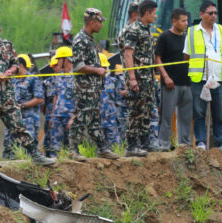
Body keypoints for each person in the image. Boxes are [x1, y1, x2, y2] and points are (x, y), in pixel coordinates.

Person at [0, 18, 56, 167]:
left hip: (7, 95)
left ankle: (35, 155)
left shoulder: (8, 46)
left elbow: (15, 65)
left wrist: (9, 71)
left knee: (18, 125)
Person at [69, 8, 119, 160]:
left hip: (93, 88)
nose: (101, 25)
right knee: (81, 117)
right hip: (84, 89)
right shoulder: (80, 40)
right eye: (100, 22)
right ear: (92, 23)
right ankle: (73, 150)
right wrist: (97, 70)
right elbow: (77, 66)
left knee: (95, 119)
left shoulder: (90, 40)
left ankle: (102, 148)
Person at [186, 0, 222, 150]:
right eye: (210, 13)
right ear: (201, 14)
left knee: (219, 112)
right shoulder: (192, 32)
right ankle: (201, 142)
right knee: (199, 112)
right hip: (199, 78)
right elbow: (187, 56)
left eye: (215, 13)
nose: (214, 16)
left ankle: (221, 143)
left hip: (219, 78)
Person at [120, 0, 158, 157]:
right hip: (138, 78)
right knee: (135, 111)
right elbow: (128, 54)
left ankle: (144, 143)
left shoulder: (146, 29)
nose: (156, 16)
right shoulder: (134, 29)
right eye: (154, 13)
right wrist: (132, 79)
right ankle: (131, 145)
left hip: (147, 78)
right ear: (147, 13)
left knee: (146, 110)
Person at [155, 8, 192, 151]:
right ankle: (163, 144)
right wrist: (165, 77)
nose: (186, 23)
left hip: (187, 83)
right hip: (170, 84)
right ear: (174, 21)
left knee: (186, 117)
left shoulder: (187, 38)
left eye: (187, 20)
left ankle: (184, 145)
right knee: (167, 116)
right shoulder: (164, 37)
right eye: (183, 21)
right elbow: (157, 58)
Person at [5, 54, 44, 159]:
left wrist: (22, 105)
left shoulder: (33, 79)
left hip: (29, 120)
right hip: (14, 120)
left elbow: (40, 99)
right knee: (10, 148)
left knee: (28, 149)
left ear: (20, 65)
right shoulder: (13, 80)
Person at [45, 47, 76, 156]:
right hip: (58, 116)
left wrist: (73, 118)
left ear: (65, 59)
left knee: (70, 148)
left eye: (59, 59)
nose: (57, 61)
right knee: (55, 148)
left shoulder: (76, 77)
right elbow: (56, 97)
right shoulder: (58, 76)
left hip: (69, 116)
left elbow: (80, 99)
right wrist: (53, 115)